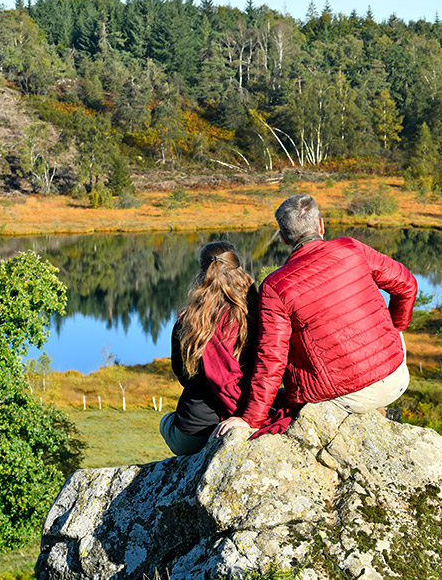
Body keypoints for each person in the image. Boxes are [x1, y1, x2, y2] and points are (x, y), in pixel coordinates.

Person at [213, 194, 417, 438]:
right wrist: (396, 328)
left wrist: (252, 419)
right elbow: (407, 284)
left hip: (346, 398)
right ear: (321, 224)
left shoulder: (275, 286)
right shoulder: (352, 248)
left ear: (283, 237)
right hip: (396, 377)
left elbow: (272, 357)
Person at [159, 241, 258, 455]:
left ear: (202, 274)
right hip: (247, 415)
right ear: (238, 269)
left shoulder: (187, 321)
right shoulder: (258, 313)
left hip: (193, 432)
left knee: (165, 422)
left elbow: (183, 376)